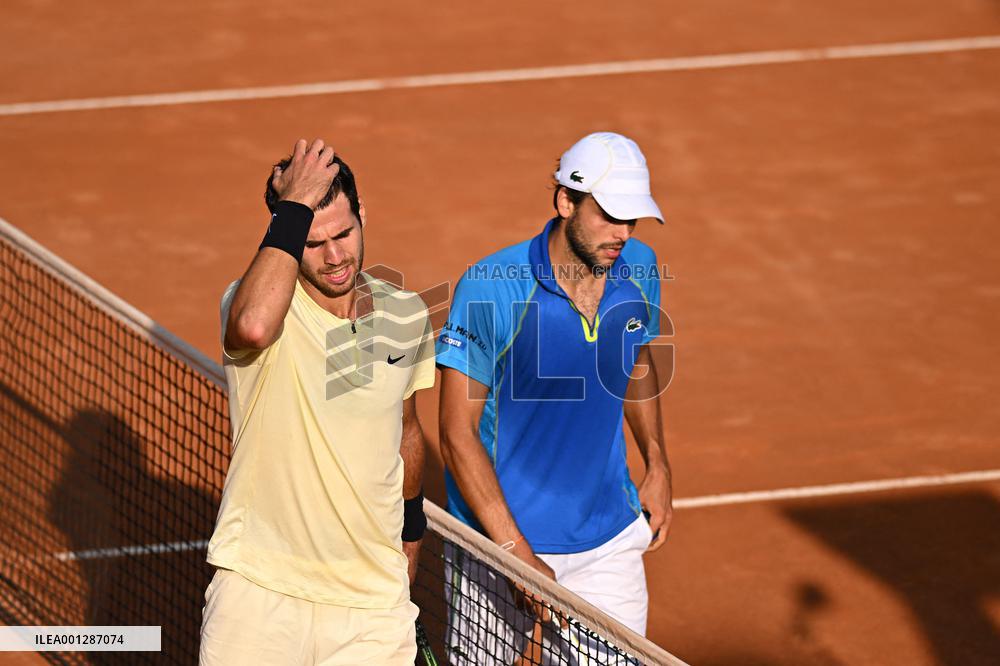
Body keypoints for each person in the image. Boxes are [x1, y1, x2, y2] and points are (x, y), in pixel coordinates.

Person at [436, 132, 673, 664]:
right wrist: (514, 552)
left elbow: (635, 358)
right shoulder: (492, 288)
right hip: (496, 544)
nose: (622, 234)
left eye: (632, 219)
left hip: (607, 541)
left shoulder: (639, 268)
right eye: (609, 215)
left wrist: (657, 463)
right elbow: (455, 434)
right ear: (566, 201)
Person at [200, 139, 435, 665]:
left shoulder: (405, 314)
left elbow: (407, 431)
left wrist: (411, 535)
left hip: (371, 602)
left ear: (363, 215)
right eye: (311, 241)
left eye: (344, 233)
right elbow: (254, 326)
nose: (334, 257)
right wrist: (293, 207)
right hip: (260, 592)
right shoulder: (258, 305)